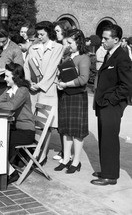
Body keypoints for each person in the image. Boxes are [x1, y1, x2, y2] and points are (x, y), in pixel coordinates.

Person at [0, 62, 35, 184]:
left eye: (7, 76)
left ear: (15, 77)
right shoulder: (10, 89)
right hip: (15, 128)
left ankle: (11, 172)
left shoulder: (23, 90)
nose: (5, 79)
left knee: (1, 142)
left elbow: (12, 106)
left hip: (26, 131)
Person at [91, 24, 132, 186]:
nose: (102, 41)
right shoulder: (111, 54)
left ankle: (110, 176)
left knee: (109, 139)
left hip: (112, 105)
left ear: (116, 40)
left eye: (106, 38)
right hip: (105, 103)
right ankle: (107, 169)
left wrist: (111, 100)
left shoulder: (122, 57)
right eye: (102, 37)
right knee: (104, 137)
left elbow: (127, 85)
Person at [54, 29, 90, 174]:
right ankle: (66, 159)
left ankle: (76, 161)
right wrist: (59, 81)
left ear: (79, 42)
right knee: (65, 129)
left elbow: (83, 79)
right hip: (66, 95)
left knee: (77, 131)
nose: (68, 45)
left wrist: (66, 84)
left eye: (70, 42)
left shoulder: (83, 58)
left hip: (77, 96)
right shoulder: (68, 56)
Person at [24, 21, 63, 128]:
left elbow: (52, 69)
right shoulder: (33, 48)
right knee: (32, 122)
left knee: (45, 124)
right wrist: (29, 83)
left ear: (49, 33)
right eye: (38, 34)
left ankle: (43, 145)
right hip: (33, 90)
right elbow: (26, 67)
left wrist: (40, 85)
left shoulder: (58, 47)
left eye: (42, 34)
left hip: (48, 89)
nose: (39, 37)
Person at [52, 20, 72, 161]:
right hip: (58, 86)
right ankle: (63, 149)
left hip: (66, 87)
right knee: (60, 120)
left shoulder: (67, 48)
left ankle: (67, 152)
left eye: (58, 31)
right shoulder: (59, 46)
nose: (56, 33)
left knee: (65, 120)